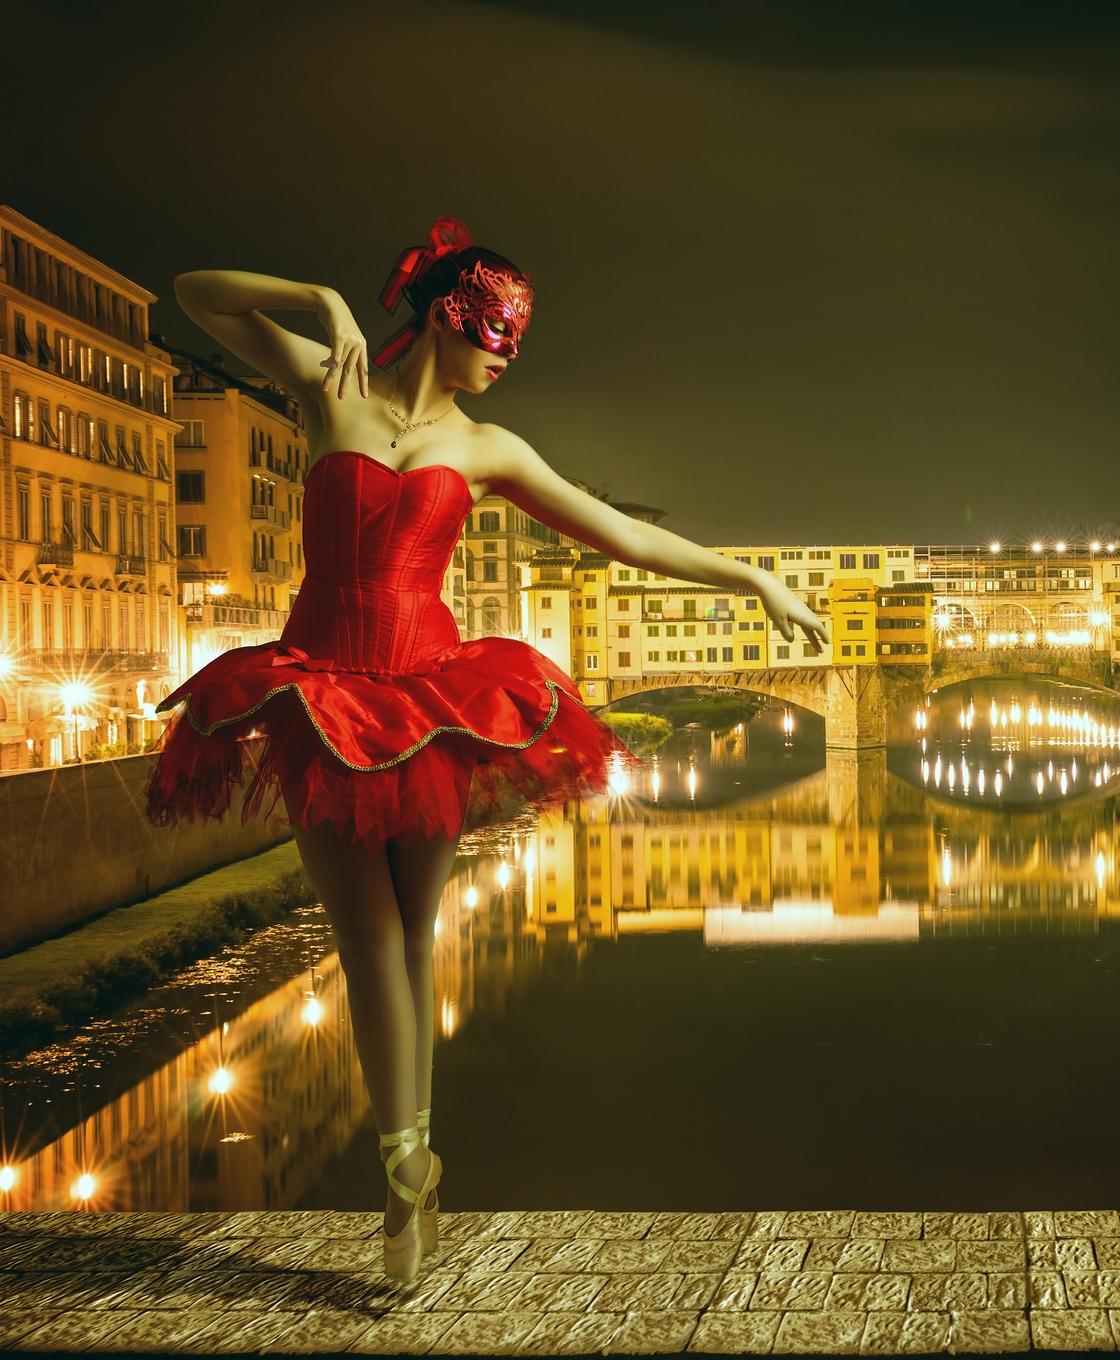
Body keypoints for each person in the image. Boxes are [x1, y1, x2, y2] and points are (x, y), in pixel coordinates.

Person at [145, 216, 827, 1287]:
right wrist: (322, 299)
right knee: (368, 935)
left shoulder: (489, 448)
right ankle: (405, 1167)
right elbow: (196, 290)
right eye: (495, 332)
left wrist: (756, 580)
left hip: (430, 701)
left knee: (414, 938)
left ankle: (410, 1173)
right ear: (440, 318)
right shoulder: (332, 384)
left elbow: (626, 534)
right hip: (321, 694)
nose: (508, 353)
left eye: (517, 339)